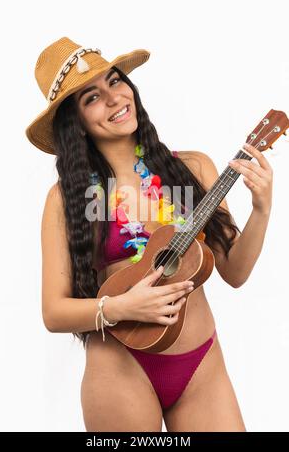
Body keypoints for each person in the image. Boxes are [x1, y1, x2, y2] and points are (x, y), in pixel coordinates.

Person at [26, 37, 273, 432]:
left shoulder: (193, 167)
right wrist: (123, 308)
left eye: (115, 81)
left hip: (201, 367)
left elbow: (235, 272)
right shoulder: (67, 199)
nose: (114, 98)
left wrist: (262, 208)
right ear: (76, 124)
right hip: (120, 367)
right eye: (91, 97)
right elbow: (53, 312)